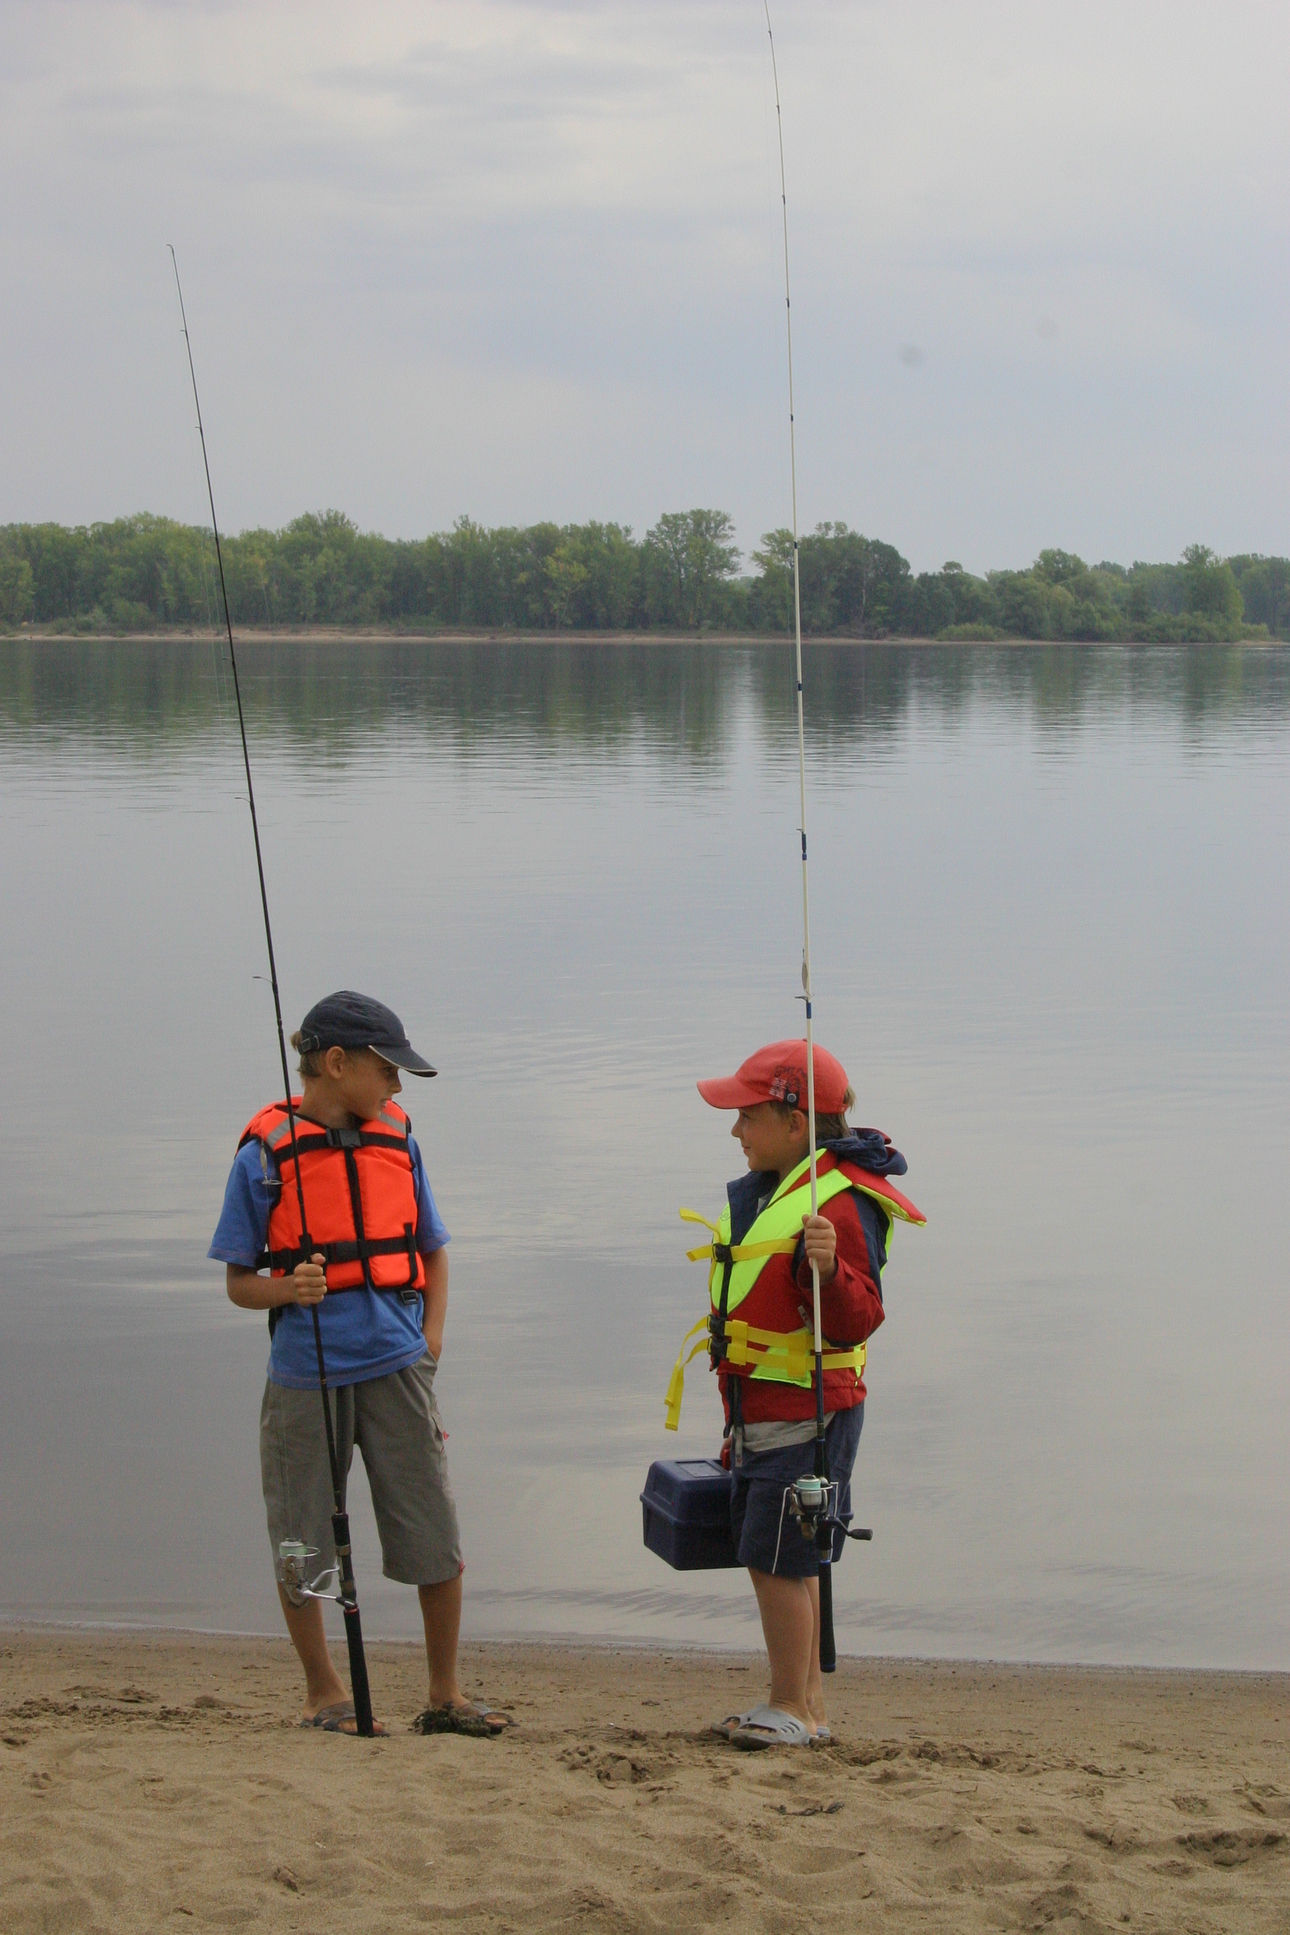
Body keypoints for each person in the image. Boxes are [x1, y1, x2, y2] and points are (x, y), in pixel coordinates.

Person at [209, 989, 509, 1738]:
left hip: (399, 1365)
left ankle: (445, 1691)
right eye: (387, 1069)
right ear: (335, 1063)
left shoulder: (398, 1138)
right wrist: (288, 1287)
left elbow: (433, 1249)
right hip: (303, 1376)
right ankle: (324, 1692)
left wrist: (431, 1337)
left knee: (432, 1528)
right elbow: (239, 1283)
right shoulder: (263, 1156)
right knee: (302, 1536)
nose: (397, 1086)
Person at [683, 1039, 924, 1749]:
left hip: (807, 1413)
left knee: (777, 1555)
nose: (735, 1130)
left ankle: (788, 1703)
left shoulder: (839, 1208)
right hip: (764, 1410)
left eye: (746, 1115)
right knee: (791, 1552)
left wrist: (829, 1267)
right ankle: (809, 1708)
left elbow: (858, 1316)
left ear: (795, 1123)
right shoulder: (780, 1190)